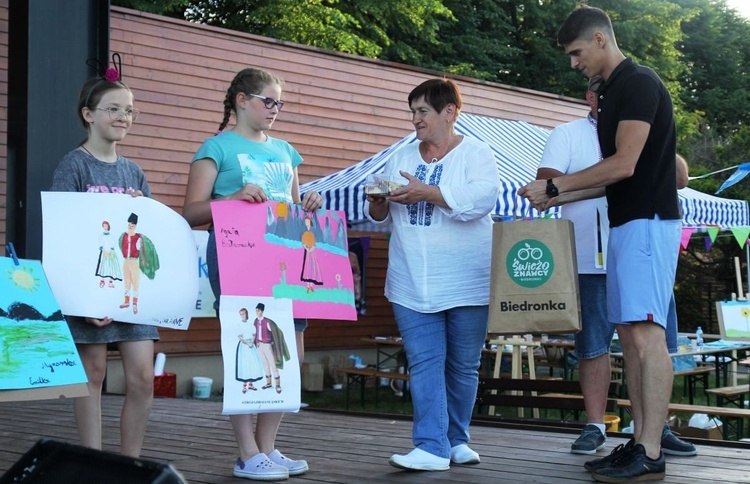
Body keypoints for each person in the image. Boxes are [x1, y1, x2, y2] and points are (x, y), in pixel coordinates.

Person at [519, 6, 681, 481]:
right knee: (630, 335)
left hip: (649, 223)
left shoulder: (637, 82)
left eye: (576, 53)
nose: (574, 64)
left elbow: (625, 164)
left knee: (647, 336)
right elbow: (613, 181)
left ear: (599, 39)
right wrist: (558, 194)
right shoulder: (612, 94)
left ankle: (650, 450)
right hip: (629, 222)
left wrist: (556, 186)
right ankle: (640, 443)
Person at [535, 78, 696, 458]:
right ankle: (595, 424)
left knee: (649, 343)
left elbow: (681, 178)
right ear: (591, 97)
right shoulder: (569, 133)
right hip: (592, 256)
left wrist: (647, 144)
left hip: (640, 243)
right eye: (603, 94)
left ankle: (650, 432)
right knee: (593, 346)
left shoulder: (639, 123)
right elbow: (548, 184)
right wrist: (610, 167)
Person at [182, 67, 322, 481]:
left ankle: (267, 447)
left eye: (279, 103)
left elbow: (293, 210)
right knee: (248, 347)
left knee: (289, 355)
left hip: (284, 258)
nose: (275, 109)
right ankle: (246, 454)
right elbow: (191, 211)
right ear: (242, 100)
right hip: (236, 254)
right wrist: (233, 198)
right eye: (268, 101)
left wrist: (309, 202)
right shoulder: (216, 148)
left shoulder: (286, 151)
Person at [366, 78, 500, 472]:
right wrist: (377, 202)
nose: (415, 119)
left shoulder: (478, 153)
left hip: (468, 280)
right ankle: (430, 445)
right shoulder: (401, 157)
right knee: (425, 362)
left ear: (449, 113)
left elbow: (482, 200)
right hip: (410, 279)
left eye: (422, 111)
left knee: (463, 366)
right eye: (413, 112)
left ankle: (455, 439)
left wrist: (430, 193)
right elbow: (379, 216)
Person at [50, 73, 156, 457]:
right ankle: (92, 461)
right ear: (88, 114)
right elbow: (64, 236)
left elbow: (147, 234)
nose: (124, 117)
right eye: (113, 109)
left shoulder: (134, 172)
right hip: (88, 289)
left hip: (131, 289)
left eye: (129, 111)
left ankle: (130, 464)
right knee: (92, 375)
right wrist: (83, 300)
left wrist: (140, 209)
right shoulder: (73, 165)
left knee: (143, 377)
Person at [252, 303, 290, 393]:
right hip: (259, 345)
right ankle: (268, 383)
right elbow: (254, 332)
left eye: (258, 310)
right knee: (265, 365)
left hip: (267, 345)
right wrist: (256, 342)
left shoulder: (268, 322)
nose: (257, 312)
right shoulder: (256, 321)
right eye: (256, 310)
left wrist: (274, 342)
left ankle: (277, 385)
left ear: (262, 311)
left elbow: (277, 332)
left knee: (273, 365)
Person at [236, 308, 264, 393]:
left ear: (246, 314)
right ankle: (244, 385)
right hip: (244, 346)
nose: (242, 316)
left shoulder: (251, 325)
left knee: (252, 363)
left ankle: (251, 384)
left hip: (251, 345)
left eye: (243, 314)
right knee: (245, 364)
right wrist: (247, 344)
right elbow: (240, 337)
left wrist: (251, 342)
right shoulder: (239, 325)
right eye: (241, 314)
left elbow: (253, 334)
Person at [95, 220, 122, 289]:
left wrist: (111, 250)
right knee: (103, 266)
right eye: (104, 226)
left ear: (108, 226)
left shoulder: (111, 235)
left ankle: (111, 281)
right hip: (104, 252)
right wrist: (103, 250)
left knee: (112, 267)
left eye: (106, 225)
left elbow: (113, 243)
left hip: (111, 253)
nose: (105, 227)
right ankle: (102, 280)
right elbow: (100, 243)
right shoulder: (101, 236)